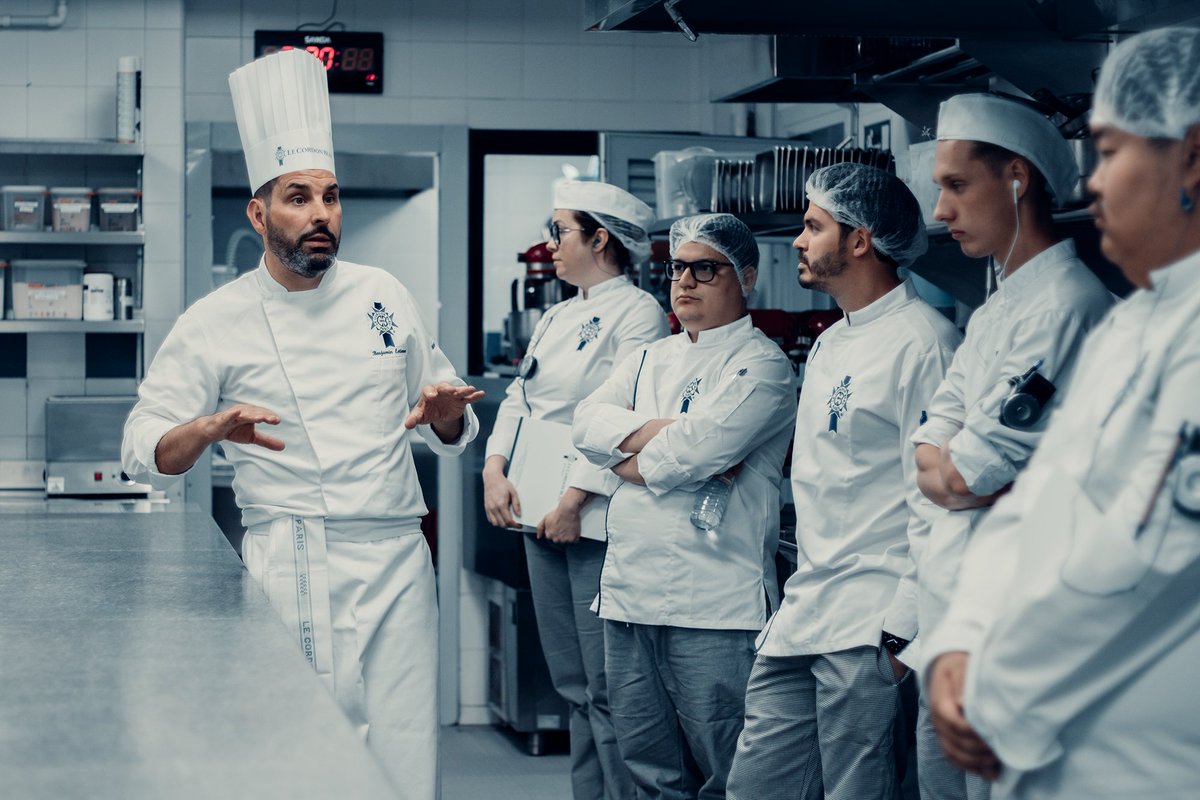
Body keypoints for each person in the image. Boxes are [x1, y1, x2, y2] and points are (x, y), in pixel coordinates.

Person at [121, 49, 481, 799]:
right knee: (302, 755)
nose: (322, 214)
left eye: (331, 196)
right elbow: (142, 446)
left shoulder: (383, 294)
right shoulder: (215, 319)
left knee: (408, 743)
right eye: (298, 197)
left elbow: (440, 414)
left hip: (398, 554)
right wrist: (209, 429)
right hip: (295, 555)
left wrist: (448, 419)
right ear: (259, 215)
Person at [924, 26, 1200, 800]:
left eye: (1109, 153)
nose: (1090, 186)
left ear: (1192, 157)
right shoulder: (1131, 327)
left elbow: (1145, 557)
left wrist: (997, 681)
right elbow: (1032, 510)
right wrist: (962, 641)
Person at [726, 163, 961, 800]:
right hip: (808, 602)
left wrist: (900, 630)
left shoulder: (925, 343)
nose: (798, 241)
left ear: (860, 240)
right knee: (755, 786)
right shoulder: (831, 341)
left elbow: (939, 500)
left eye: (813, 226)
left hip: (870, 619)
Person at [909, 93, 1114, 800]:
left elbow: (962, 471)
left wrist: (952, 472)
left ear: (1018, 179)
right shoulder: (998, 308)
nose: (941, 211)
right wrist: (950, 471)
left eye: (957, 186)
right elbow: (931, 449)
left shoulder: (1067, 306)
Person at [571, 213, 795, 799]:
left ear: (746, 277)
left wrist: (627, 454)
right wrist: (672, 438)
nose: (686, 282)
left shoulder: (763, 366)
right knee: (648, 767)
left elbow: (690, 454)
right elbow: (585, 424)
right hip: (629, 595)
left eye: (706, 269)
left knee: (727, 771)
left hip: (714, 604)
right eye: (677, 268)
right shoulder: (649, 357)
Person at [482, 180, 667, 800]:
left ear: (600, 238)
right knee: (571, 683)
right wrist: (494, 469)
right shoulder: (557, 315)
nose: (551, 244)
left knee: (608, 685)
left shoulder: (638, 313)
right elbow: (520, 397)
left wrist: (574, 500)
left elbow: (623, 412)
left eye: (560, 231)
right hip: (534, 509)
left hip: (590, 517)